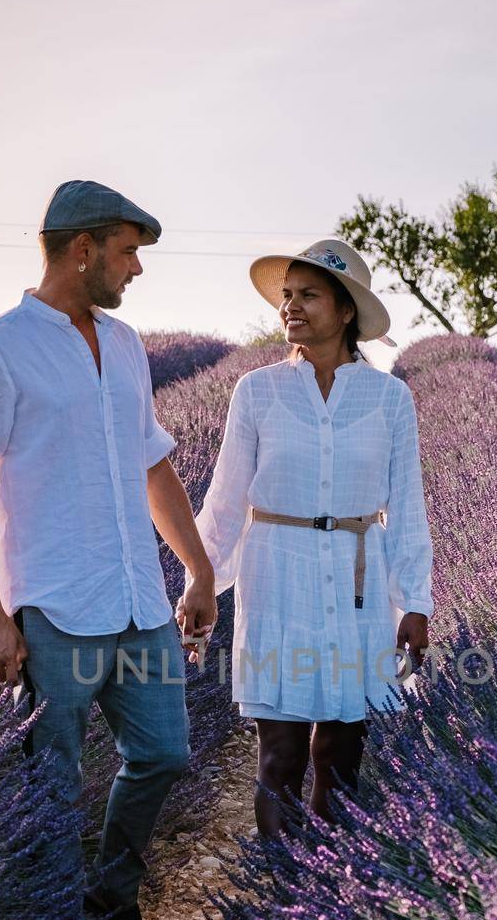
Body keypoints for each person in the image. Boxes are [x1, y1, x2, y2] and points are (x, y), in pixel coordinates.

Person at [0, 178, 217, 920]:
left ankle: (110, 897)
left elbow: (153, 465)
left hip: (138, 599)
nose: (137, 269)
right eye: (128, 252)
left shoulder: (125, 345)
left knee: (165, 755)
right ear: (83, 247)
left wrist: (194, 568)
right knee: (49, 792)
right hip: (53, 608)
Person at [177, 238, 433, 838]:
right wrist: (203, 578)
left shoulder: (390, 398)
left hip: (358, 583)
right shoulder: (257, 390)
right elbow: (226, 497)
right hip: (277, 578)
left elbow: (408, 505)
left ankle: (326, 899)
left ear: (346, 311)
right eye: (287, 296)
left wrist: (415, 600)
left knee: (341, 760)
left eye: (308, 296)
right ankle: (277, 892)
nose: (291, 307)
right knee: (280, 757)